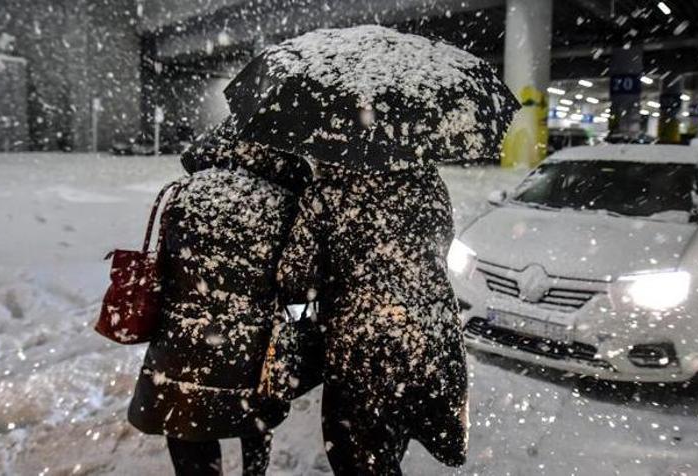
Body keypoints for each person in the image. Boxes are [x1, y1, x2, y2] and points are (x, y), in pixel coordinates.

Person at [127, 118, 311, 475]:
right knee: (253, 421)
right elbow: (294, 282)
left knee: (187, 425)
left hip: (182, 347)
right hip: (250, 348)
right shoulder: (285, 203)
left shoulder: (186, 192)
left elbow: (165, 270)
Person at [277, 162, 468, 475]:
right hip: (424, 340)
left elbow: (295, 277)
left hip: (360, 350)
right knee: (389, 447)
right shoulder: (429, 183)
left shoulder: (327, 193)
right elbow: (441, 243)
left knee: (358, 455)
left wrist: (311, 307)